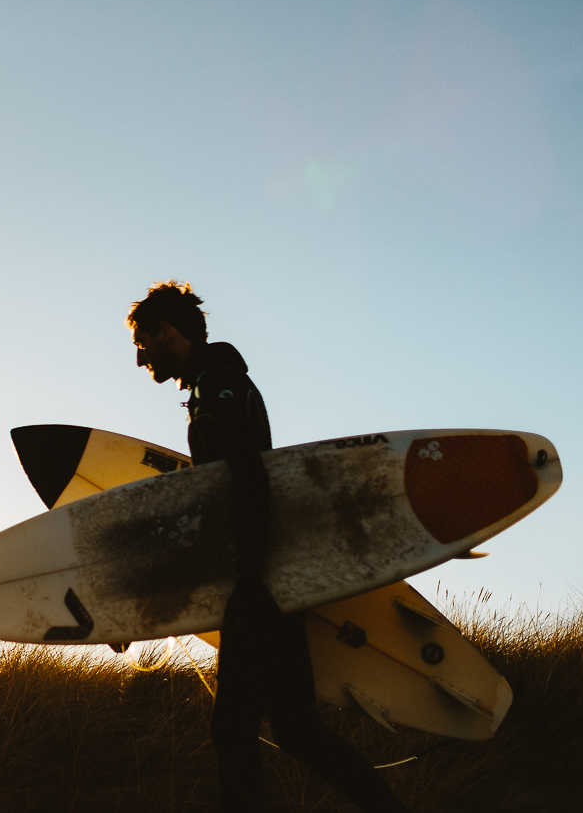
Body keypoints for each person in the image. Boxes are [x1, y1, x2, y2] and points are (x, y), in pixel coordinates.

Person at [128, 281, 407, 813]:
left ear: (167, 331)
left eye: (143, 342)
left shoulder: (220, 385)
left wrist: (251, 581)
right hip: (267, 577)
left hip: (259, 581)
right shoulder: (215, 383)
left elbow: (249, 480)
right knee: (297, 730)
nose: (141, 357)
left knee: (234, 730)